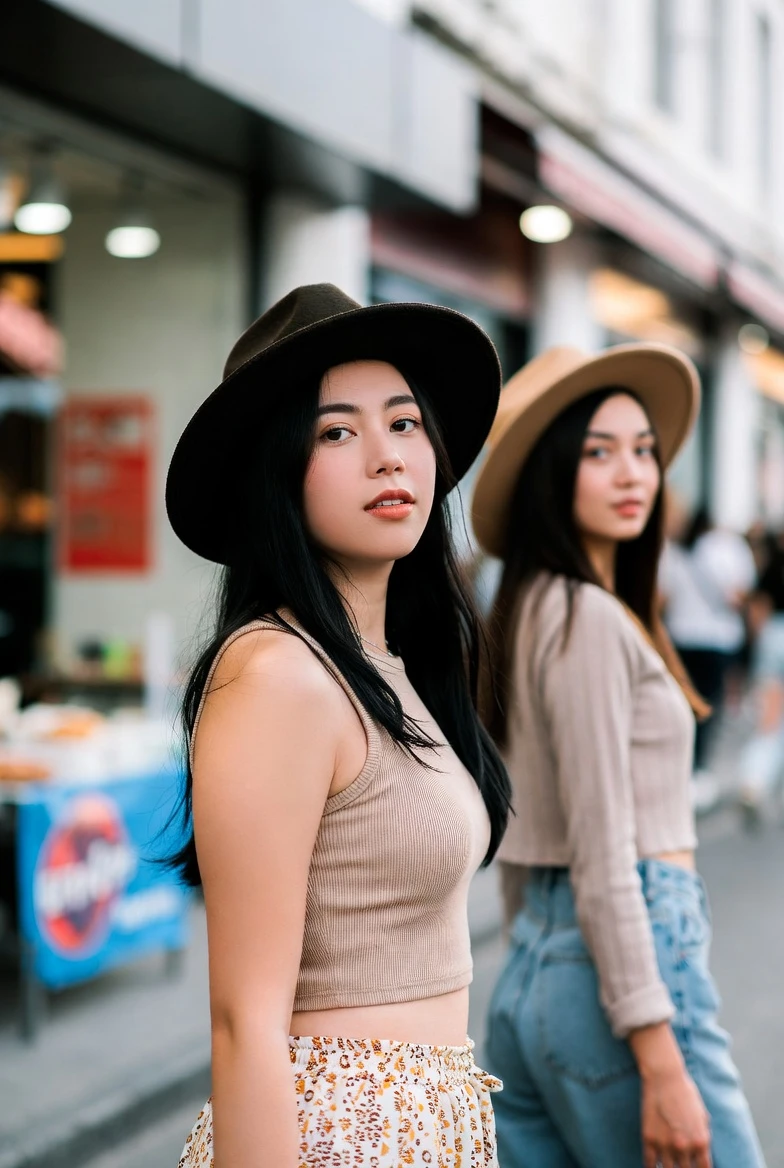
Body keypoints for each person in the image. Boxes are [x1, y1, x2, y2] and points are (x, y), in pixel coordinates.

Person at [166, 283, 511, 1167]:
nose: (388, 458)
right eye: (336, 432)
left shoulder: (391, 664)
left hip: (424, 1131)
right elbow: (246, 1022)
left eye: (403, 423)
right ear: (276, 472)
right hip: (332, 1138)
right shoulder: (276, 672)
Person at [472, 344, 766, 1167]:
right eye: (599, 452)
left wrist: (543, 957)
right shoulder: (587, 618)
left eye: (643, 449)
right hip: (622, 968)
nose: (633, 472)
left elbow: (527, 828)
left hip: (534, 964)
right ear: (550, 472)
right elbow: (605, 851)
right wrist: (661, 1061)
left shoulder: (532, 607)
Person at [659, 507, 757, 812]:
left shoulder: (673, 551)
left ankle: (684, 768)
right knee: (708, 705)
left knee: (684, 703)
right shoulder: (728, 548)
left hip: (681, 637)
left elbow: (663, 598)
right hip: (717, 638)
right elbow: (741, 595)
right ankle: (699, 772)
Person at [737, 527, 784, 824]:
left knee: (768, 721)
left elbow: (758, 608)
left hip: (773, 639)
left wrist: (754, 641)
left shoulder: (773, 566)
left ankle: (753, 782)